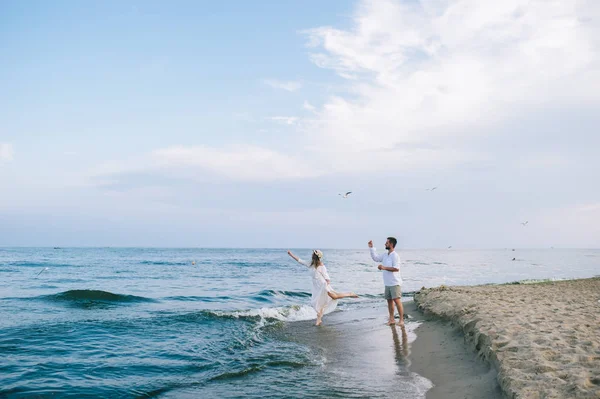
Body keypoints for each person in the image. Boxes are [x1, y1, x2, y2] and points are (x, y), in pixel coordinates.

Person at [287, 249, 358, 326]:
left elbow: (327, 277)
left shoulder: (322, 266)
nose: (311, 255)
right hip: (317, 287)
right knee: (320, 303)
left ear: (315, 256)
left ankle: (349, 294)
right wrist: (291, 254)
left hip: (323, 285)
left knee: (333, 297)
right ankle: (319, 320)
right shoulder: (310, 264)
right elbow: (300, 260)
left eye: (313, 254)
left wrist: (327, 283)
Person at [368, 238, 404, 326]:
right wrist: (371, 248)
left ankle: (401, 320)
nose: (385, 244)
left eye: (386, 243)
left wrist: (384, 268)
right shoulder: (385, 255)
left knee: (397, 301)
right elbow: (375, 258)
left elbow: (396, 268)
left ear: (391, 244)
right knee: (389, 301)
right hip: (387, 283)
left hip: (395, 282)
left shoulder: (395, 255)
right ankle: (391, 319)